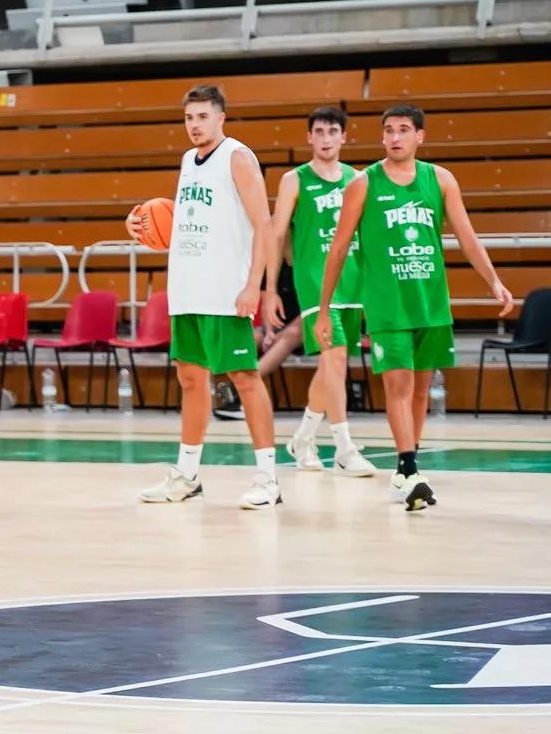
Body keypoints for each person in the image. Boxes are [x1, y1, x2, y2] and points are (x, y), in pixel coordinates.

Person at [316, 104, 513, 510]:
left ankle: (407, 470)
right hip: (388, 305)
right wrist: (323, 309)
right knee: (399, 383)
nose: (394, 137)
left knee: (422, 388)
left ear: (419, 136)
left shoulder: (440, 180)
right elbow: (338, 249)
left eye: (403, 129)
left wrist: (493, 280)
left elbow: (467, 237)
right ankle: (408, 467)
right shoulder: (363, 183)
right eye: (389, 130)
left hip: (430, 302)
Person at [133, 85, 281, 510]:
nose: (195, 125)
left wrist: (254, 284)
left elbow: (264, 224)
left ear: (221, 118)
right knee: (190, 379)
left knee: (244, 378)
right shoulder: (188, 161)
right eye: (189, 118)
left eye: (202, 117)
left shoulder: (238, 156)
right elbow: (184, 219)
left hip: (225, 290)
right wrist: (139, 223)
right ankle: (187, 476)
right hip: (187, 288)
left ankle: (268, 479)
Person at [262, 106, 376, 477]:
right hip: (314, 282)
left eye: (333, 132)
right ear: (309, 137)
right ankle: (344, 447)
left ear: (344, 137)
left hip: (353, 280)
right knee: (336, 357)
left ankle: (304, 437)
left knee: (332, 364)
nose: (326, 139)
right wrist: (270, 289)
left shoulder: (358, 179)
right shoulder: (294, 180)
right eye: (320, 132)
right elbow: (276, 235)